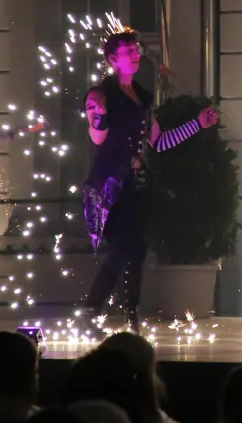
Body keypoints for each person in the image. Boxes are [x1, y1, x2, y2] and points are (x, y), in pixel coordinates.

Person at [81, 29, 219, 328]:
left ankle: (130, 314)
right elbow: (97, 136)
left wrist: (197, 124)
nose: (135, 54)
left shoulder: (142, 97)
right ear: (112, 60)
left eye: (135, 49)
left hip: (134, 186)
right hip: (109, 186)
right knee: (122, 248)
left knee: (138, 250)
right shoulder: (102, 93)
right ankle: (92, 310)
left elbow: (159, 141)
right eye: (128, 51)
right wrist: (98, 112)